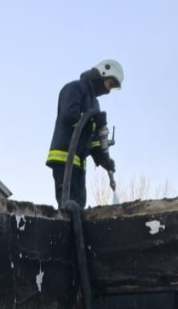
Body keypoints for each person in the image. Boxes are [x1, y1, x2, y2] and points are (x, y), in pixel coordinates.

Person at [46, 59, 124, 207]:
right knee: (68, 207)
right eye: (110, 84)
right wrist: (94, 121)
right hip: (64, 158)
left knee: (79, 207)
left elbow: (93, 138)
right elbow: (69, 115)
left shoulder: (95, 103)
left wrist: (103, 159)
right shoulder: (74, 88)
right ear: (102, 73)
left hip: (80, 163)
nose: (108, 90)